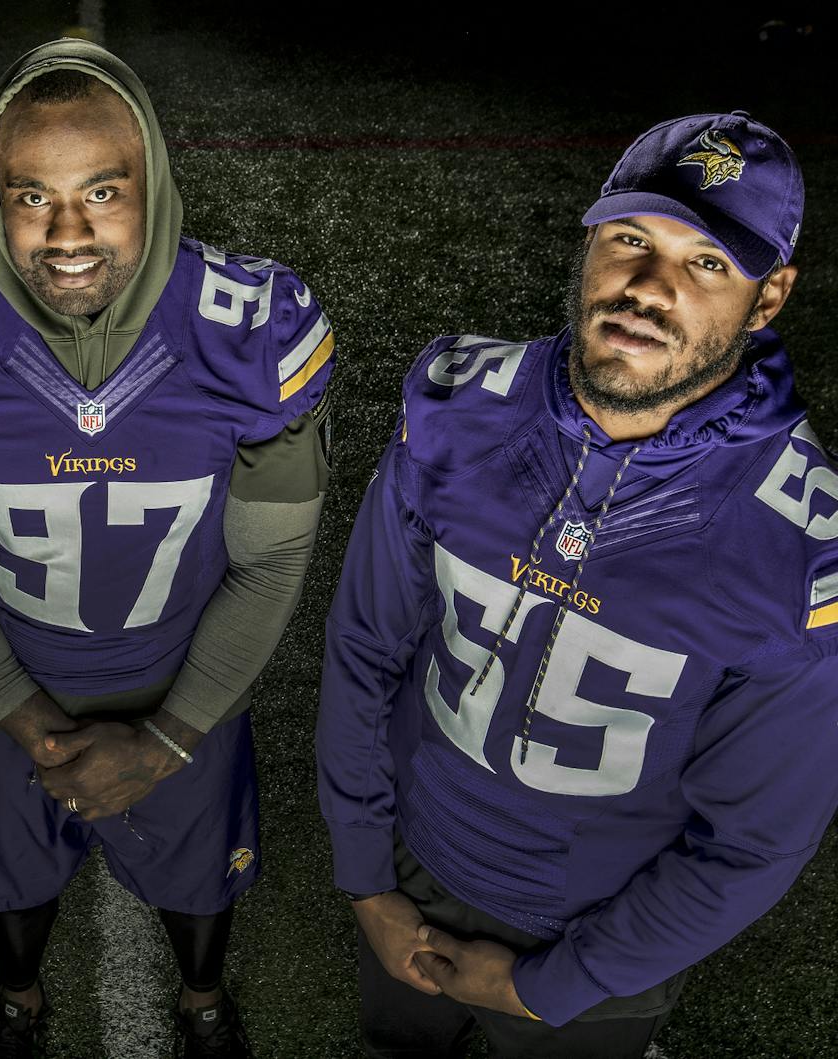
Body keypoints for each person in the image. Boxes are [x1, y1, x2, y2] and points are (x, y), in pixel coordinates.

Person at [317, 111, 838, 1058]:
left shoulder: (802, 552)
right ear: (592, 242)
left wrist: (551, 983)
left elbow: (752, 843)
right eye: (631, 241)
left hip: (594, 931)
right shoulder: (453, 407)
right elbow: (365, 646)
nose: (648, 288)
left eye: (707, 263)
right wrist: (366, 880)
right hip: (414, 870)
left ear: (770, 300)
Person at [0, 39, 334, 1059]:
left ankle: (202, 1001)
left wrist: (168, 736)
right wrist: (28, 722)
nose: (65, 233)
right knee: (9, 876)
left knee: (200, 878)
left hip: (187, 680)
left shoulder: (251, 333)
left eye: (101, 191)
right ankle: (19, 998)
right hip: (7, 686)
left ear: (151, 181)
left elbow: (270, 562)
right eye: (30, 197)